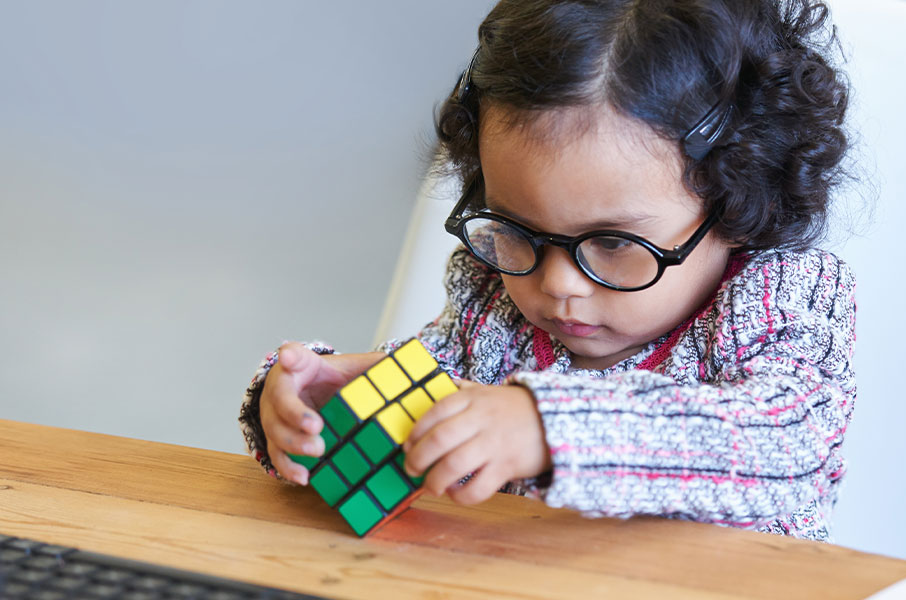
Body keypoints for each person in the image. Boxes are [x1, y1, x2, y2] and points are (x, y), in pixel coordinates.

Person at [239, 0, 856, 542]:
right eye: (518, 230)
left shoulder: (782, 298)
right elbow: (418, 424)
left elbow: (789, 444)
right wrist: (318, 414)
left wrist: (549, 427)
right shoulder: (493, 306)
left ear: (739, 198)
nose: (557, 284)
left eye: (614, 242)